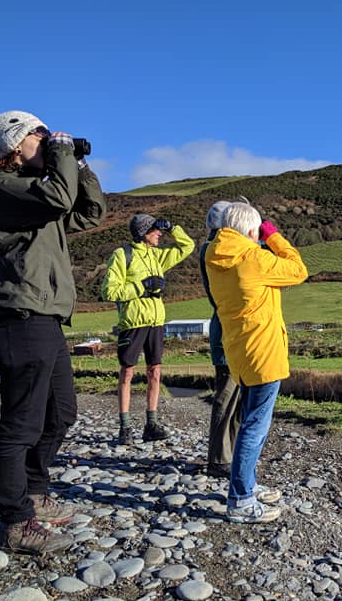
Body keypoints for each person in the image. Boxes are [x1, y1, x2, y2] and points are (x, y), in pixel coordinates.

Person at [0, 110, 107, 554]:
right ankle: (15, 520)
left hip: (45, 316)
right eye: (40, 135)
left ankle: (35, 491)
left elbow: (89, 211)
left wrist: (79, 164)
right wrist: (62, 154)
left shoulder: (34, 194)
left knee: (60, 413)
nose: (47, 140)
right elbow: (60, 199)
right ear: (15, 144)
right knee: (21, 423)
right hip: (19, 316)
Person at [205, 202, 308, 523]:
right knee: (254, 426)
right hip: (264, 352)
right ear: (252, 231)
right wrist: (273, 236)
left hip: (239, 350)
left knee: (250, 420)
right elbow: (298, 270)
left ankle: (246, 483)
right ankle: (241, 499)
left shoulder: (214, 256)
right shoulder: (255, 258)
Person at [102, 212, 194, 444]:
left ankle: (150, 424)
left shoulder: (157, 256)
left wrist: (173, 226)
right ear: (144, 233)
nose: (160, 234)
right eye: (156, 230)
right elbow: (109, 291)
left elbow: (187, 246)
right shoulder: (122, 255)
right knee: (127, 373)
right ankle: (124, 428)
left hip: (155, 322)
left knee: (155, 372)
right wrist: (141, 287)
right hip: (132, 323)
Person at [199, 200, 241, 478]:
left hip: (228, 330)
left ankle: (230, 454)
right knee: (226, 396)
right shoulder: (215, 252)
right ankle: (218, 458)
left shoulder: (211, 249)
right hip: (227, 332)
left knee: (235, 397)